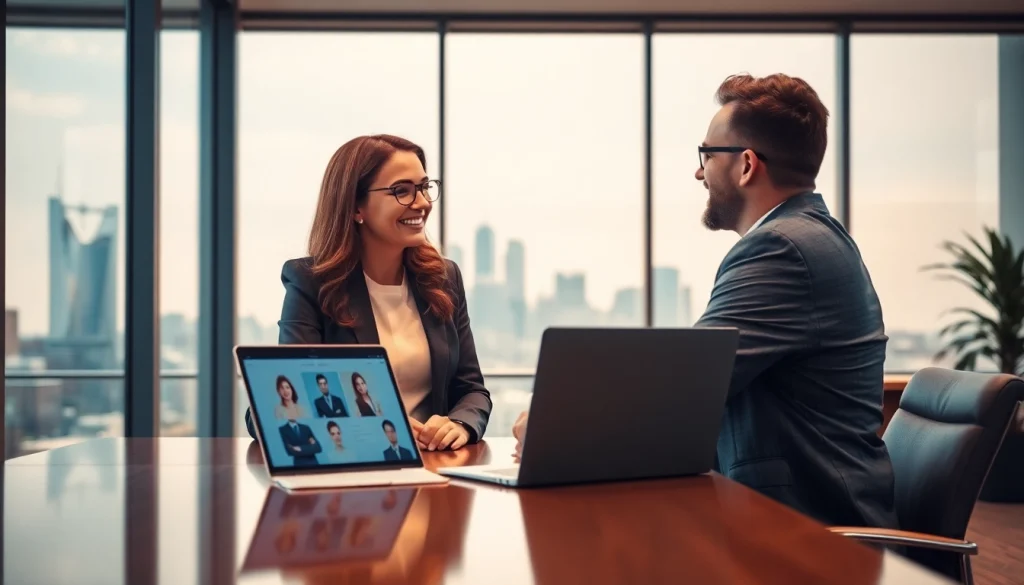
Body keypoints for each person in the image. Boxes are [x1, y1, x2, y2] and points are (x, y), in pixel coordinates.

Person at [514, 74, 899, 530]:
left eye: (707, 155)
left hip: (809, 534)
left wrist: (554, 429)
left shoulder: (782, 249)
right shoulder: (810, 237)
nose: (699, 172)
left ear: (747, 165)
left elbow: (686, 386)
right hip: (786, 513)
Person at [243, 134, 491, 451]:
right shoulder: (311, 283)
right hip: (354, 470)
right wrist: (374, 422)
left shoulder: (444, 278)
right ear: (356, 207)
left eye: (425, 187)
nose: (423, 202)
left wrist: (460, 424)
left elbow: (471, 389)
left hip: (435, 469)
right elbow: (268, 410)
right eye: (401, 191)